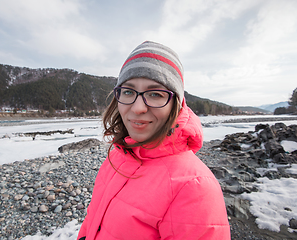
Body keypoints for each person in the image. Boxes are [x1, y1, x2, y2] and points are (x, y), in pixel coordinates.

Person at [77, 41, 231, 239]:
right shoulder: (116, 157)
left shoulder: (195, 187)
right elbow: (92, 220)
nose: (138, 107)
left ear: (176, 103)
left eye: (155, 94)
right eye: (128, 91)